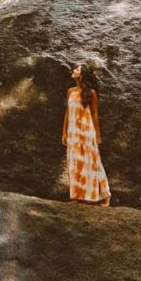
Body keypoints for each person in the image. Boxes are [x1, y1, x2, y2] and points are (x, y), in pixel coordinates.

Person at [61, 63, 111, 206]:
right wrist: (64, 132)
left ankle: (105, 194)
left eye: (77, 69)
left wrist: (98, 135)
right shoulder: (70, 91)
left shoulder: (91, 93)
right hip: (73, 132)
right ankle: (76, 196)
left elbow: (95, 115)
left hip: (87, 131)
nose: (74, 70)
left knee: (93, 162)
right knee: (74, 161)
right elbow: (67, 112)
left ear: (82, 75)